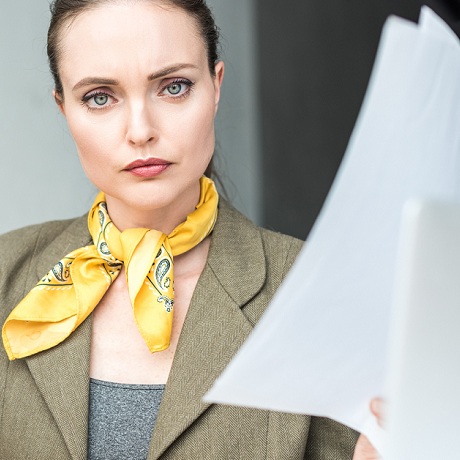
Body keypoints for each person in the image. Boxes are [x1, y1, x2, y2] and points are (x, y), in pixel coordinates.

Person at [0, 1, 381, 458]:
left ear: (215, 87)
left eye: (174, 87)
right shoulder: (6, 273)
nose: (141, 131)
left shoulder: (316, 294)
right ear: (63, 108)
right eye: (100, 97)